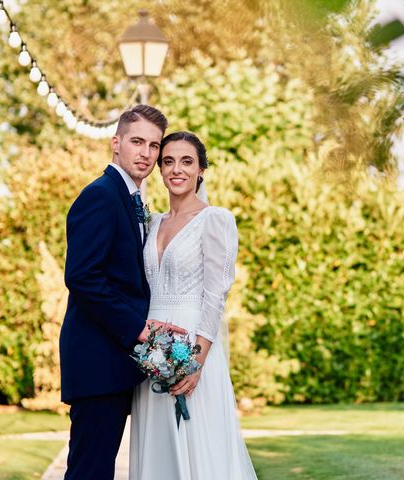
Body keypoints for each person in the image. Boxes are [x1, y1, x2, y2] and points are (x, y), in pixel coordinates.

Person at [60, 105, 186, 480]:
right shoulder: (100, 195)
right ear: (116, 143)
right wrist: (140, 327)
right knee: (89, 471)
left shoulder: (130, 200)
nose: (146, 153)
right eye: (137, 141)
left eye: (153, 145)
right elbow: (82, 277)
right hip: (98, 361)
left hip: (115, 362)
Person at [130, 131, 257, 479]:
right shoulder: (151, 222)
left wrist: (196, 361)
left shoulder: (216, 219)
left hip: (194, 345)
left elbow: (216, 295)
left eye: (187, 161)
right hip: (150, 348)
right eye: (168, 161)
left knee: (198, 442)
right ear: (160, 169)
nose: (176, 169)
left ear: (201, 169)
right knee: (158, 444)